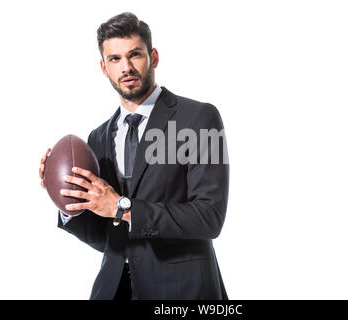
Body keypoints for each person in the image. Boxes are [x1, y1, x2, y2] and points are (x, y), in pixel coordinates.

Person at [39, 12, 229, 300]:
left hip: (182, 291)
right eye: (115, 59)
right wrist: (67, 201)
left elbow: (209, 217)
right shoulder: (98, 137)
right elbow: (108, 237)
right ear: (104, 68)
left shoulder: (199, 118)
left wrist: (121, 207)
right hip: (114, 289)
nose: (126, 67)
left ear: (153, 56)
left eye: (135, 55)